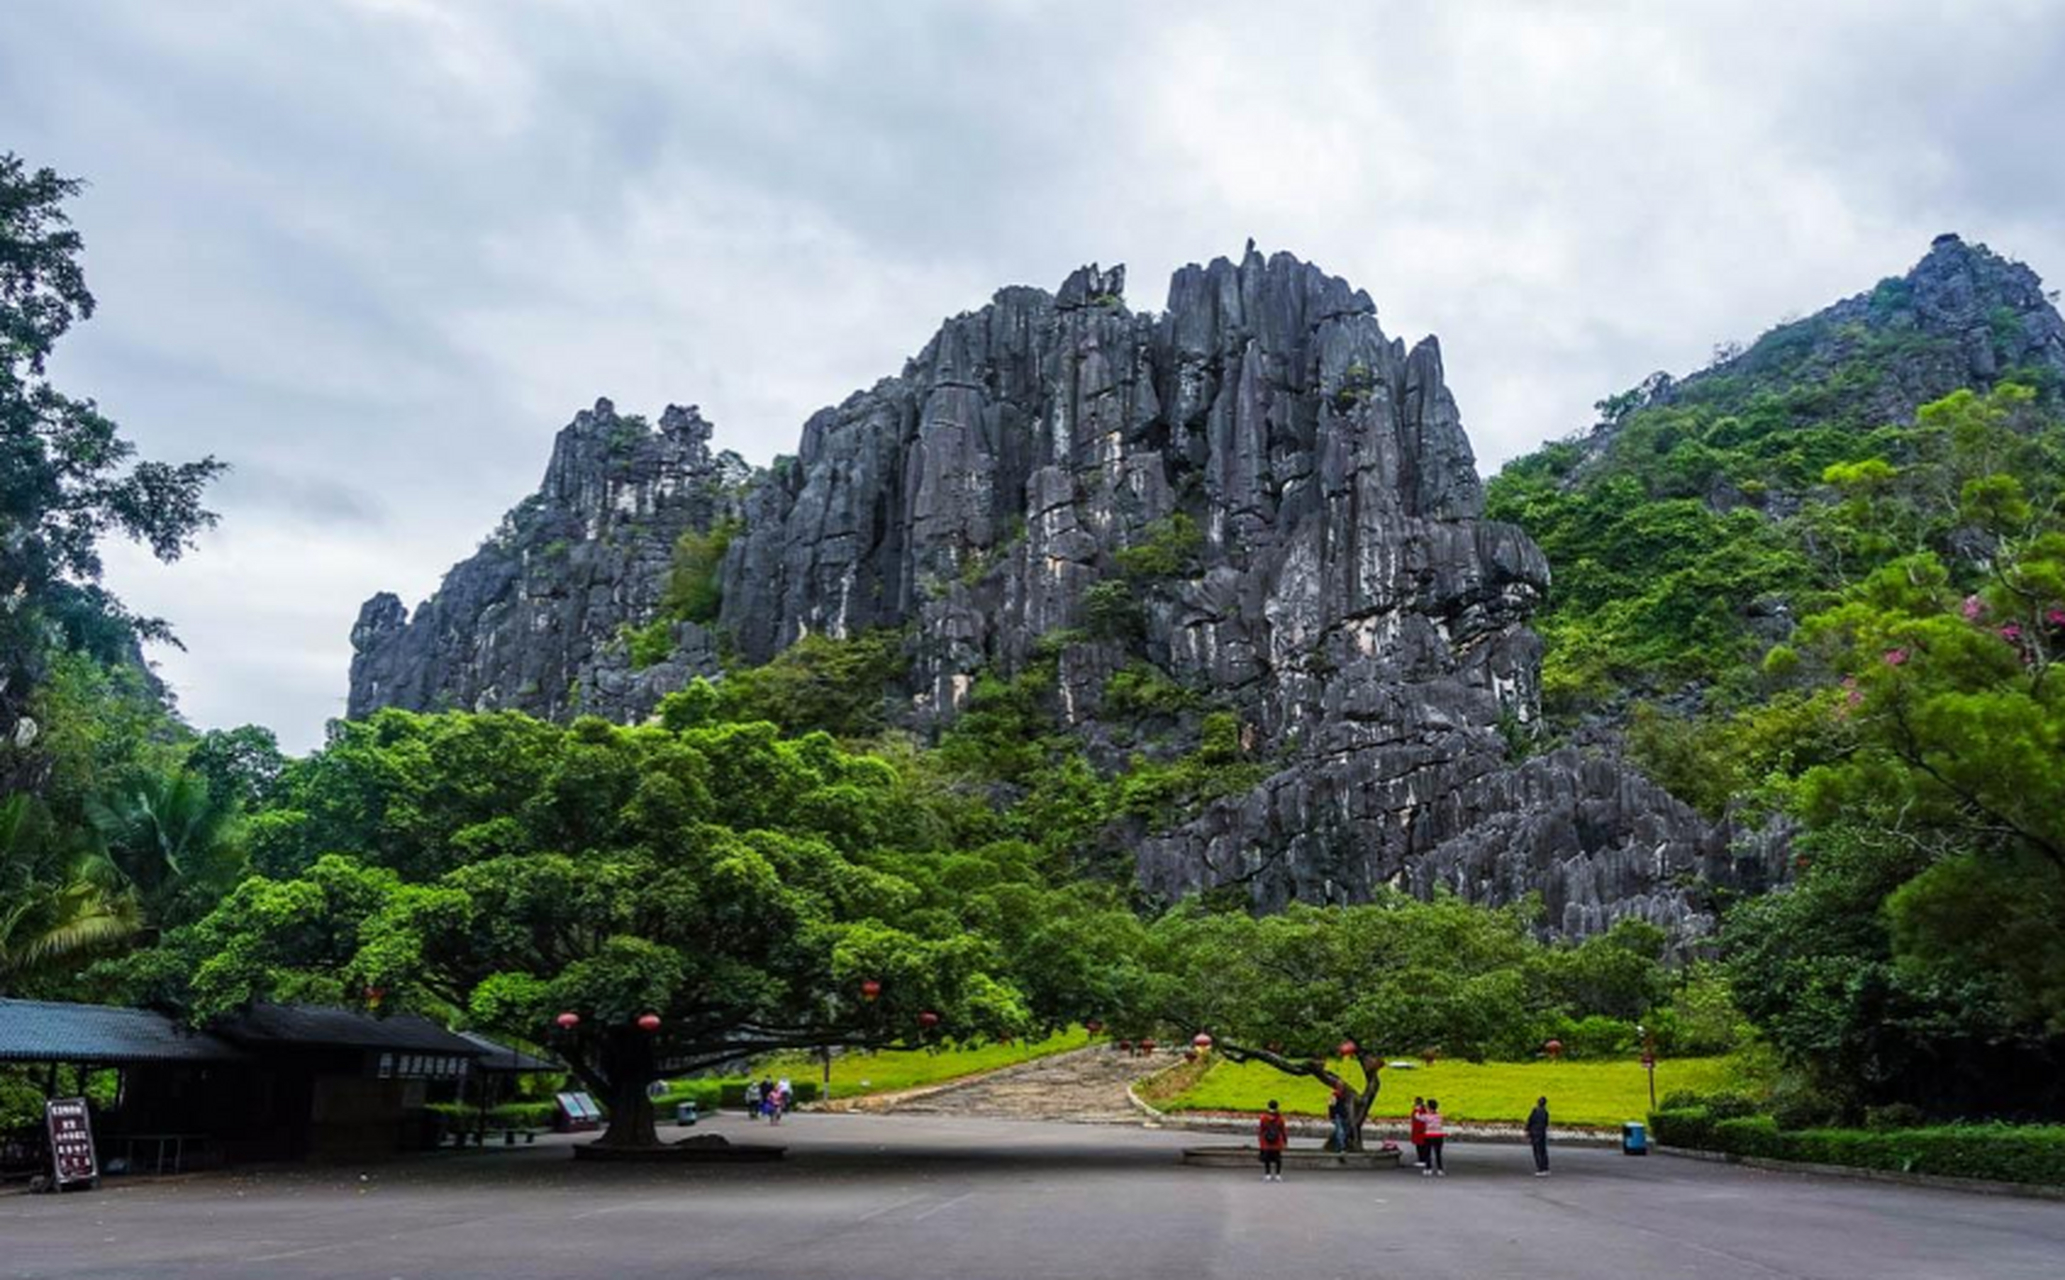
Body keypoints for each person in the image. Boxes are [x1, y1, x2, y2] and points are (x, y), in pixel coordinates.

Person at [1257, 1100, 1288, 1182]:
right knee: (1278, 1159)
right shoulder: (1280, 1118)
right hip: (1277, 1141)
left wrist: (1260, 1140)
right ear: (1277, 1107)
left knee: (1267, 1159)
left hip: (1266, 1141)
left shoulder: (1264, 1118)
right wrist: (1285, 1140)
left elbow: (1261, 1129)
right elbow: (1283, 1130)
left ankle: (1268, 1174)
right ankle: (1278, 1175)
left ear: (1268, 1106)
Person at [1421, 1098, 1447, 1177]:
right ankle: (1440, 1169)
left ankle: (1428, 1168)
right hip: (1439, 1135)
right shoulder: (1439, 1116)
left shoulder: (1426, 1116)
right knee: (1438, 1153)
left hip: (1428, 1135)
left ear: (1428, 1107)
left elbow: (1417, 1117)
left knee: (1427, 1152)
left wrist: (1418, 1109)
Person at [1526, 1096, 1551, 1176]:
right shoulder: (1546, 1112)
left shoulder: (1535, 1111)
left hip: (1535, 1134)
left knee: (1537, 1151)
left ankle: (1540, 1168)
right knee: (1543, 1151)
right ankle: (1545, 1167)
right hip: (1542, 1133)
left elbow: (1530, 1121)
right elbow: (1546, 1124)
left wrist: (1527, 1130)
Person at [1328, 1083, 1351, 1154]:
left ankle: (1338, 1147)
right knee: (1340, 1132)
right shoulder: (1334, 1096)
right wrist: (1332, 1116)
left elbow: (1346, 1107)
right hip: (1337, 1116)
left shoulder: (1345, 1096)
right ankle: (1341, 1148)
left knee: (1344, 1132)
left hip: (1343, 1115)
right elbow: (1331, 1106)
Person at [1410, 1096, 1428, 1169]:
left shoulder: (1421, 1110)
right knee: (1419, 1145)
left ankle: (1422, 1160)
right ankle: (1421, 1159)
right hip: (1417, 1129)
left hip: (1420, 1129)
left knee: (1421, 1145)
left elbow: (1419, 1118)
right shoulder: (1420, 1109)